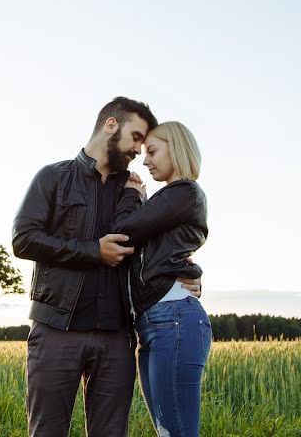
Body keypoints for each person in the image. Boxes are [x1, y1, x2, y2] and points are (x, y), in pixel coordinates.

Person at [12, 97, 200, 437]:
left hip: (117, 336)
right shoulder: (53, 177)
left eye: (145, 145)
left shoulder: (134, 191)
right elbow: (23, 239)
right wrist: (92, 251)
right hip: (56, 330)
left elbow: (160, 246)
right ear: (111, 125)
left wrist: (187, 274)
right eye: (136, 137)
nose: (138, 152)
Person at [111, 121, 211, 437]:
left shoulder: (184, 191)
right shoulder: (168, 200)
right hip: (154, 324)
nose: (146, 160)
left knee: (177, 433)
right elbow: (161, 253)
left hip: (174, 321)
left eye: (153, 150)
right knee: (167, 432)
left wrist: (132, 194)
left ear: (176, 148)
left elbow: (123, 233)